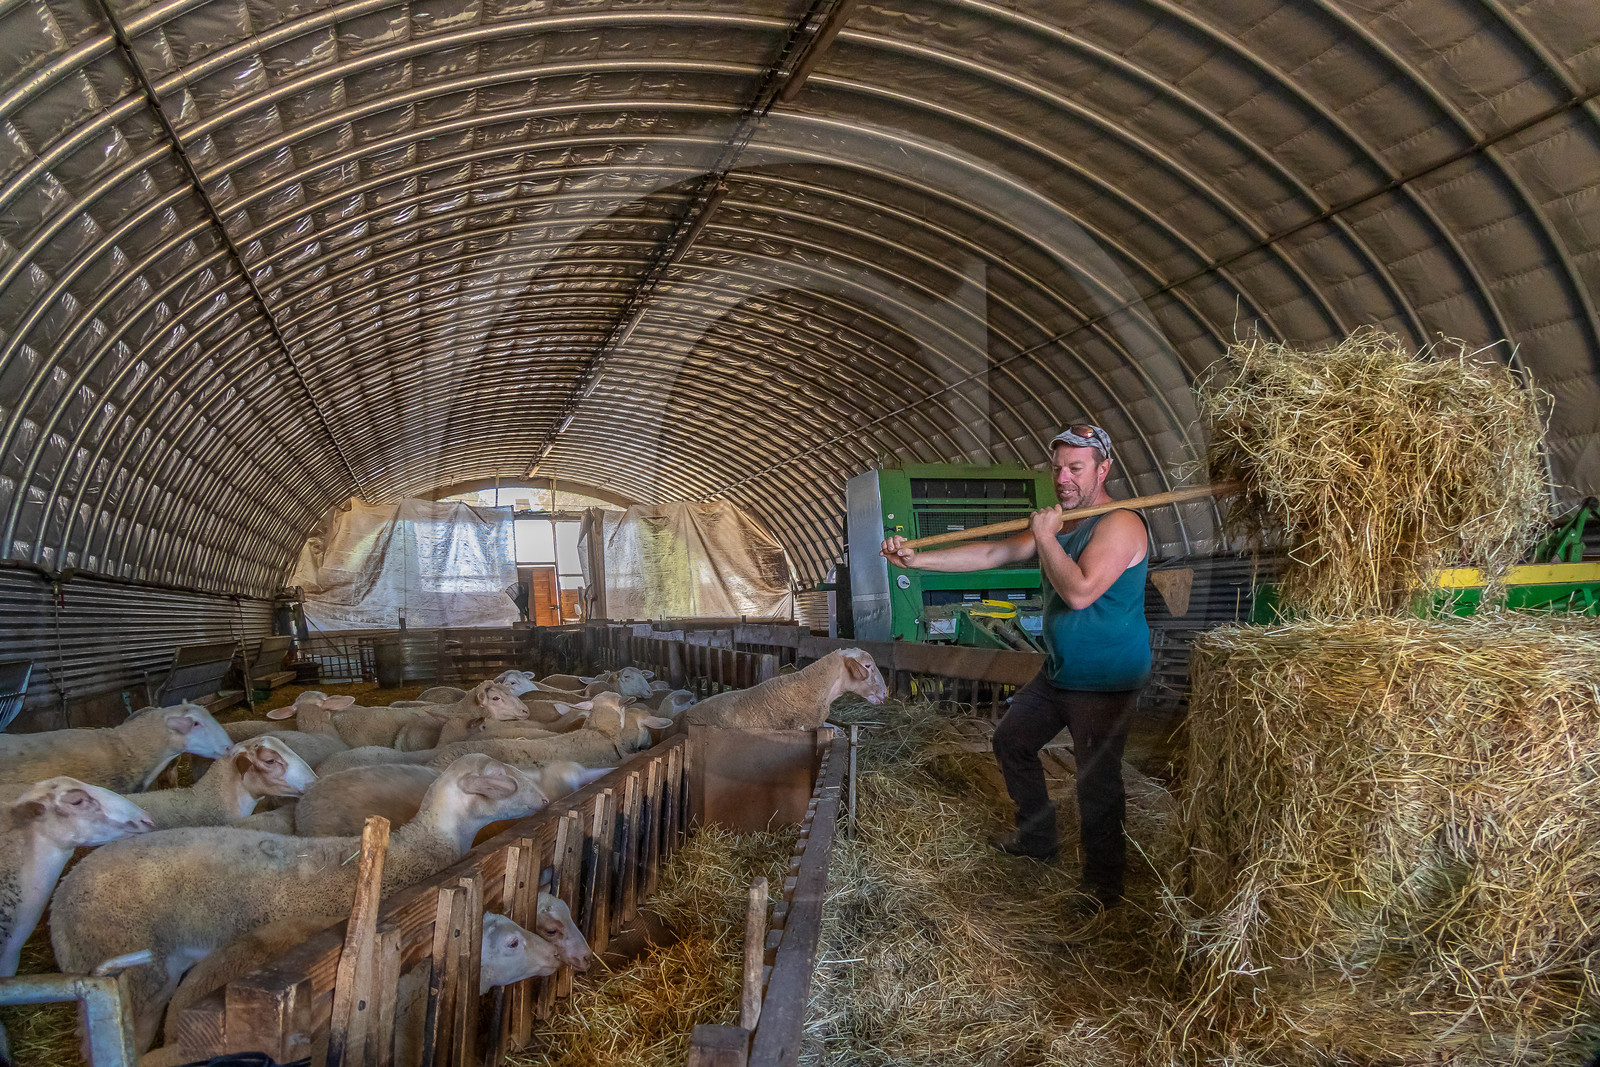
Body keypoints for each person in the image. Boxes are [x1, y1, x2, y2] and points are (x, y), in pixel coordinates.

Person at [880, 424, 1150, 909]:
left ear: (1103, 469)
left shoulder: (1121, 524)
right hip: (1061, 670)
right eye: (1057, 468)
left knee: (1096, 780)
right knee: (1012, 740)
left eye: (1076, 468)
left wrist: (1045, 536)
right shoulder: (1063, 524)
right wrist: (918, 561)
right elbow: (992, 551)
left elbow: (1080, 592)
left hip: (1104, 678)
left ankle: (1103, 888)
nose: (1062, 479)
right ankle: (1038, 839)